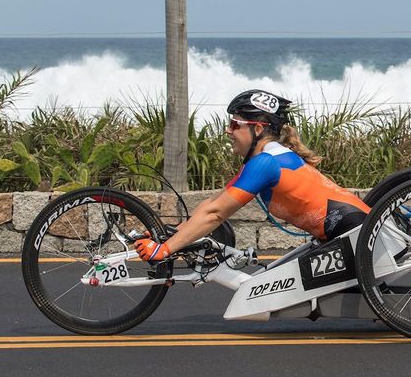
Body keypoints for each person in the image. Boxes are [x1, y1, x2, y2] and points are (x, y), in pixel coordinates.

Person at [134, 90, 369, 262]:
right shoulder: (270, 158)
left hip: (356, 234)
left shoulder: (265, 162)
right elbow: (213, 205)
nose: (228, 130)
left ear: (257, 129)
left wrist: (163, 250)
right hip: (351, 230)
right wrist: (170, 232)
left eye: (235, 124)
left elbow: (215, 215)